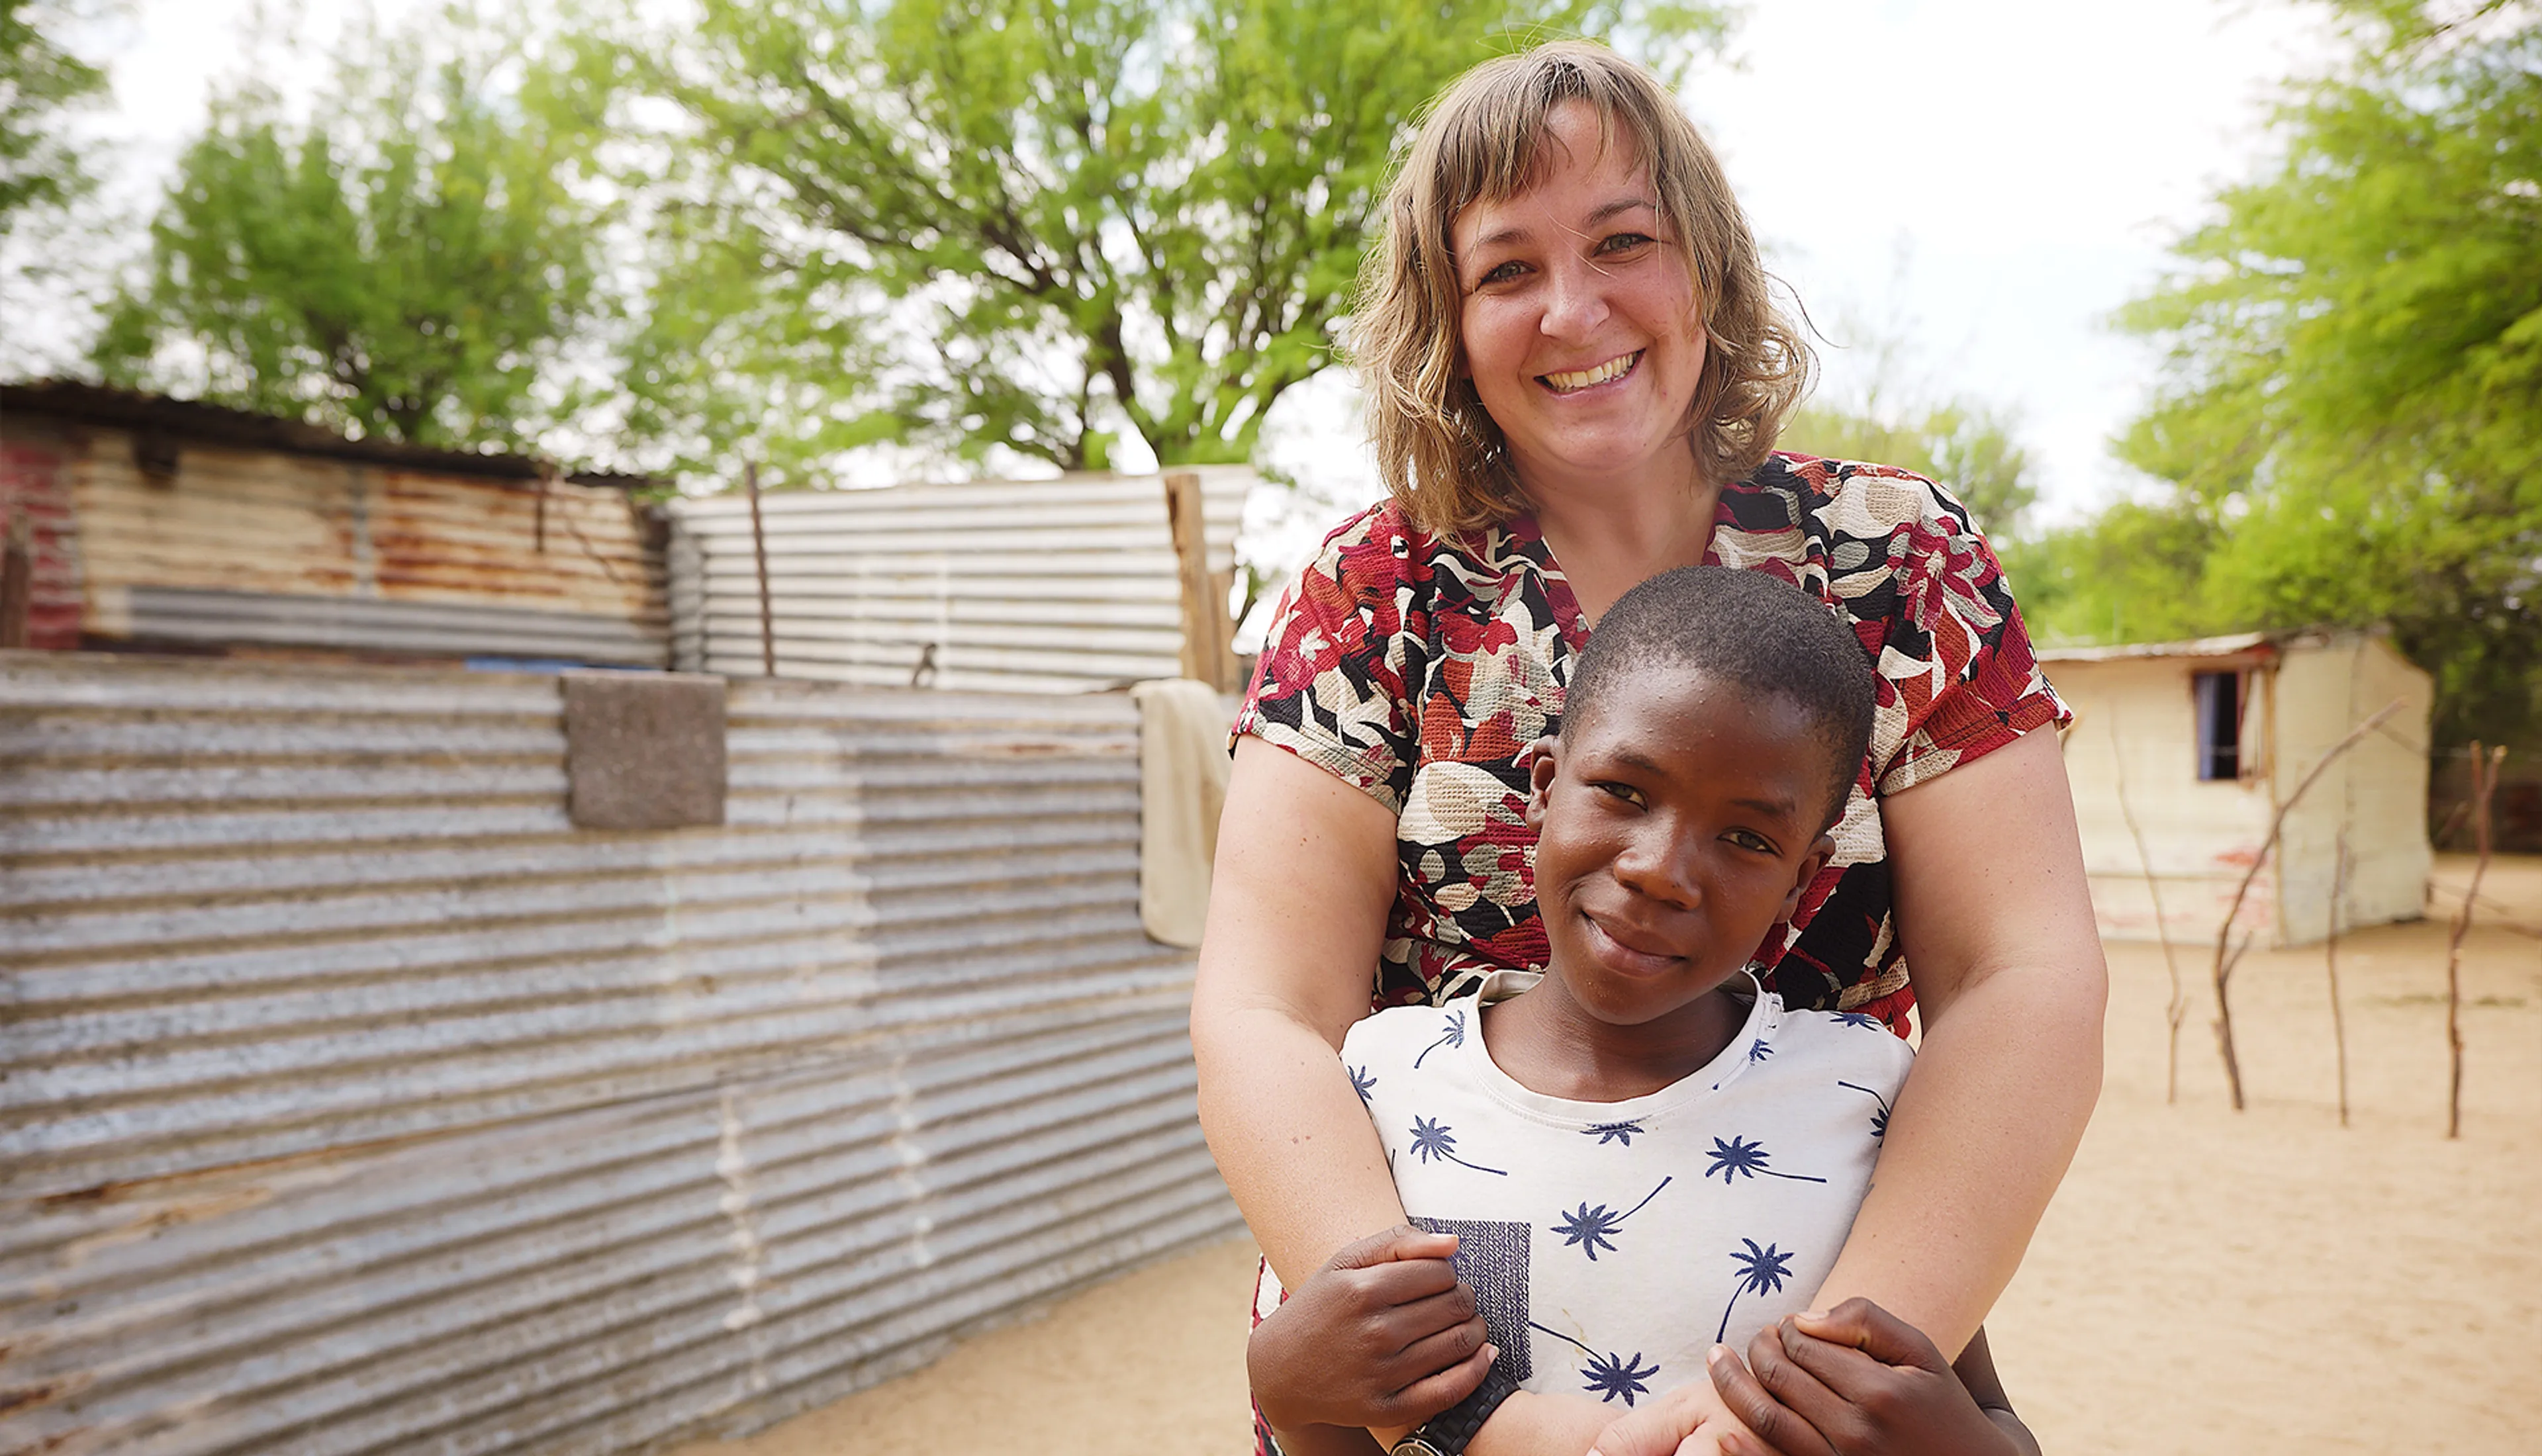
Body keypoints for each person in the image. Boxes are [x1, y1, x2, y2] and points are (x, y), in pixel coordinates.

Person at [1190, 38, 2105, 1456]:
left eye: (1625, 242)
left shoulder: (1894, 560)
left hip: (1809, 1331)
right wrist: (1487, 1416)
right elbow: (1265, 1008)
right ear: (1448, 314)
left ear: (1709, 266)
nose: (1573, 309)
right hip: (1437, 1382)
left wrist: (1799, 1388)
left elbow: (2023, 975)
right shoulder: (1374, 593)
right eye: (1505, 270)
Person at [1259, 565, 2039, 1456]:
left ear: (1800, 882)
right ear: (1545, 789)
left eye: (1746, 839)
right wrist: (1289, 1396)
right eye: (1625, 792)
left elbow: (1983, 1414)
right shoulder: (1387, 1082)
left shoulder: (1860, 1089)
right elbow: (1363, 1423)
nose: (1660, 870)